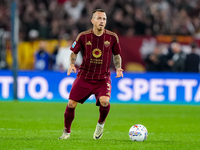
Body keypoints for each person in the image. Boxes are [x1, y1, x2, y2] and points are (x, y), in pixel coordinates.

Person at [59, 9, 123, 140]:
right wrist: (71, 64)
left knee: (105, 102)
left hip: (102, 77)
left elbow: (117, 55)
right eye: (99, 18)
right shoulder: (83, 36)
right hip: (84, 76)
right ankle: (66, 132)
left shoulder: (112, 37)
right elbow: (74, 52)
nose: (102, 21)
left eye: (104, 19)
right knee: (71, 104)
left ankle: (100, 124)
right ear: (92, 20)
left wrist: (118, 68)